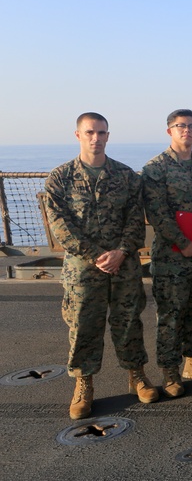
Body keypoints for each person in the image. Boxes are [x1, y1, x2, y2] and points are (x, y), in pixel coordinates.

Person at [45, 112, 155, 419]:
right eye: (90, 132)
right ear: (78, 135)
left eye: (102, 132)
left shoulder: (126, 177)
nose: (96, 138)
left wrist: (120, 251)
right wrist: (96, 255)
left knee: (129, 322)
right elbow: (61, 227)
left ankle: (137, 375)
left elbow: (136, 221)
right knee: (83, 327)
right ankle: (84, 384)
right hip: (83, 269)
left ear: (108, 136)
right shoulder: (60, 178)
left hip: (124, 265)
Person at [142, 109, 192, 398]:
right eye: (180, 126)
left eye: (191, 126)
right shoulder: (156, 168)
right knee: (171, 315)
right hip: (171, 257)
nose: (186, 131)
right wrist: (182, 242)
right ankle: (169, 370)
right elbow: (157, 213)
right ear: (169, 131)